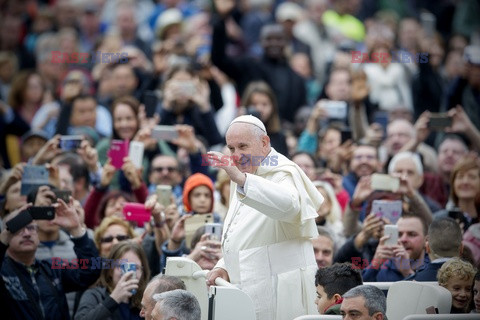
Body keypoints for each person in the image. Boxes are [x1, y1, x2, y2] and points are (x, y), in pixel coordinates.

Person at [206, 115, 323, 320]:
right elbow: (245, 238)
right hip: (248, 288)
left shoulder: (284, 172)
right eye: (231, 149)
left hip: (281, 292)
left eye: (243, 146)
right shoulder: (242, 174)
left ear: (264, 143)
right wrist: (224, 267)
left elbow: (290, 206)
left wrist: (243, 180)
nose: (237, 155)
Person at [1, 202, 101, 319]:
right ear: (6, 235)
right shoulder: (3, 272)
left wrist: (76, 229)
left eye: (31, 228)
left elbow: (92, 271)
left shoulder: (51, 269)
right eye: (18, 228)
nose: (26, 234)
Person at [75, 241, 150, 320]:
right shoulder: (95, 295)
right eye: (123, 266)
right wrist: (114, 299)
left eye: (136, 267)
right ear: (111, 270)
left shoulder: (146, 298)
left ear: (142, 272)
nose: (130, 273)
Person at [362, 215, 429, 282]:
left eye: (412, 234)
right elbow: (360, 289)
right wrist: (375, 264)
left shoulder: (434, 268)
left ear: (426, 240)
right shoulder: (384, 267)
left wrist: (407, 272)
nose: (403, 239)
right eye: (399, 234)